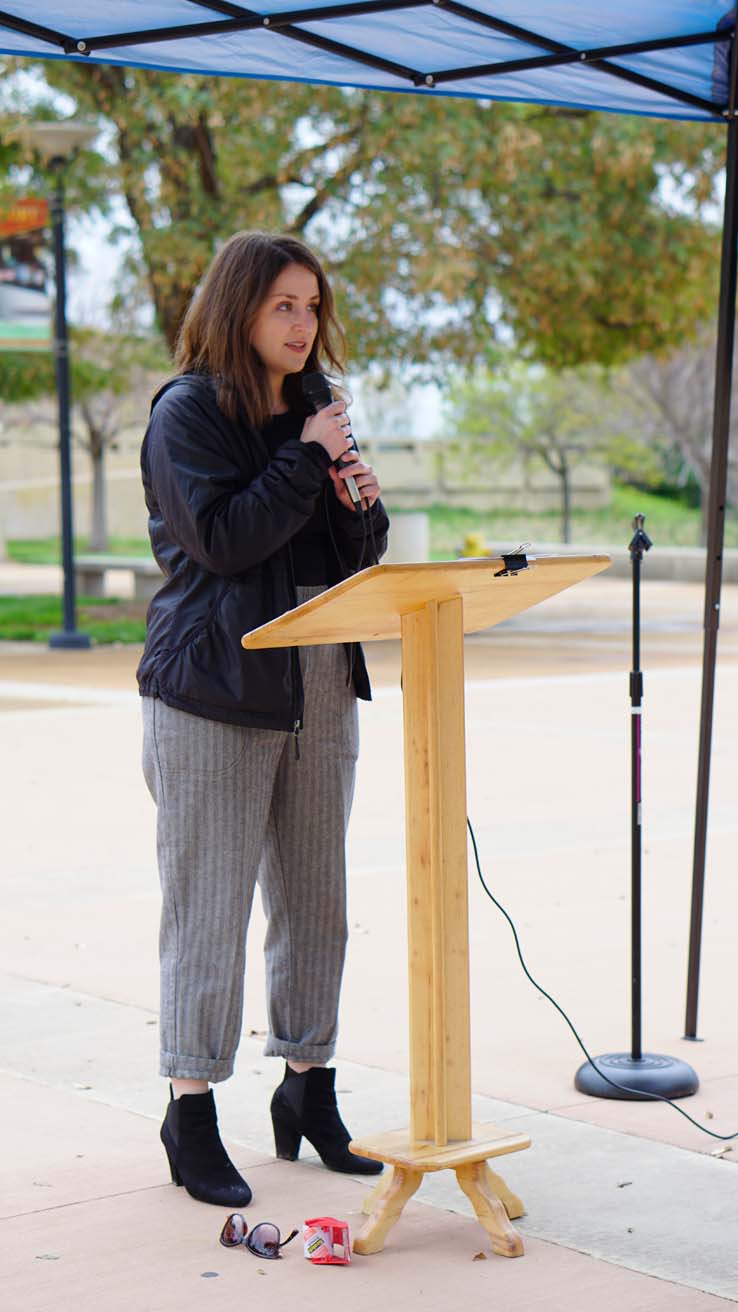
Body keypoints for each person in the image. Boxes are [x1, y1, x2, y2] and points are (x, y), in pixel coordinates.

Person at [138, 230, 390, 1207]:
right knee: (210, 905)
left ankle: (308, 1088)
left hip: (318, 675)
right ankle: (191, 1110)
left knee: (316, 898)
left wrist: (357, 501)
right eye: (284, 304)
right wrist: (306, 457)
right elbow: (223, 540)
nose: (303, 322)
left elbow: (353, 556)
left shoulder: (315, 411)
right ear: (238, 307)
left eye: (312, 305)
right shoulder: (188, 412)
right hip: (216, 686)